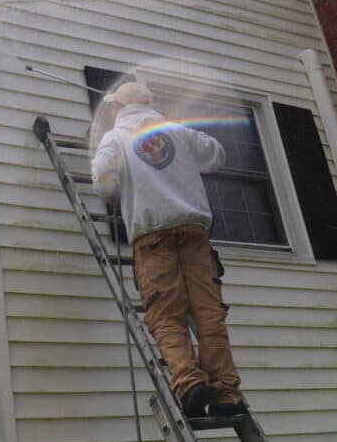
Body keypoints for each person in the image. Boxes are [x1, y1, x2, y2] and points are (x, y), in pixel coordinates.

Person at [91, 80, 247, 418]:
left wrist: (114, 188)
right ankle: (225, 392)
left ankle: (189, 384)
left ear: (118, 107)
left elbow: (103, 175)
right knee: (208, 313)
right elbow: (215, 153)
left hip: (152, 237)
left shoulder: (115, 137)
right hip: (194, 235)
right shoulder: (177, 130)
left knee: (166, 315)